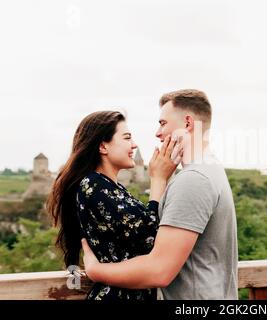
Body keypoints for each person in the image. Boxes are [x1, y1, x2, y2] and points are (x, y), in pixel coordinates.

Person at [82, 89, 239, 299]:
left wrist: (95, 270)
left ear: (188, 123)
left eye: (163, 123)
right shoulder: (211, 169)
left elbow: (159, 270)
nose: (157, 133)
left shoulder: (193, 179)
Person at [47, 110, 181, 300]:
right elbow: (149, 239)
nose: (134, 145)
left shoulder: (112, 187)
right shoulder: (93, 185)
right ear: (103, 146)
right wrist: (158, 180)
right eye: (127, 138)